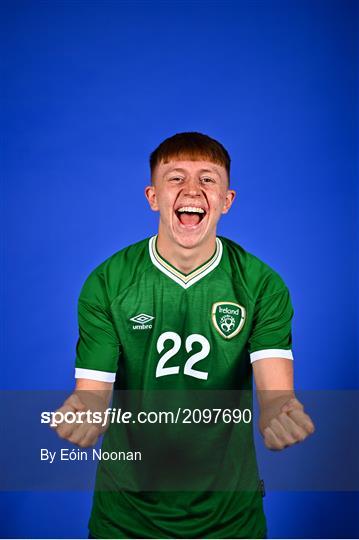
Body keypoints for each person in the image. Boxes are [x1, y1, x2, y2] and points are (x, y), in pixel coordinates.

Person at [53, 132, 315, 538]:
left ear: (226, 201)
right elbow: (93, 391)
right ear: (152, 196)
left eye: (208, 179)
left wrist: (280, 412)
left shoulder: (262, 285)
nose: (192, 189)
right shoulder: (107, 282)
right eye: (175, 178)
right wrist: (83, 410)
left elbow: (275, 392)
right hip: (126, 515)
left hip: (230, 516)